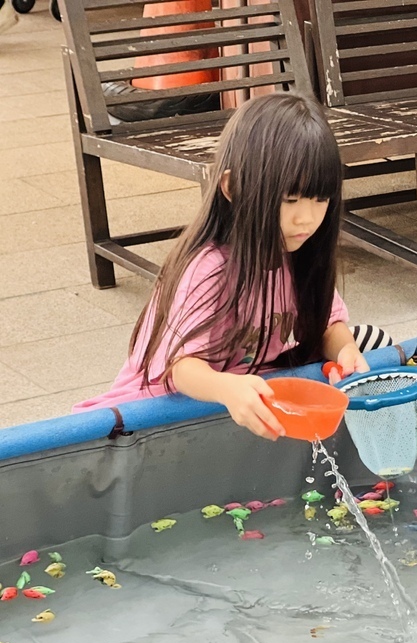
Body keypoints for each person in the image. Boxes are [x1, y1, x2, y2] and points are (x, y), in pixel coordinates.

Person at [74, 92, 392, 439]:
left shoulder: (300, 251)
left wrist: (345, 351)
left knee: (373, 344)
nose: (308, 218)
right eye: (290, 199)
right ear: (233, 187)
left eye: (321, 199)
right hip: (160, 411)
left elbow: (328, 322)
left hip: (253, 380)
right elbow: (181, 368)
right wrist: (226, 388)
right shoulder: (209, 268)